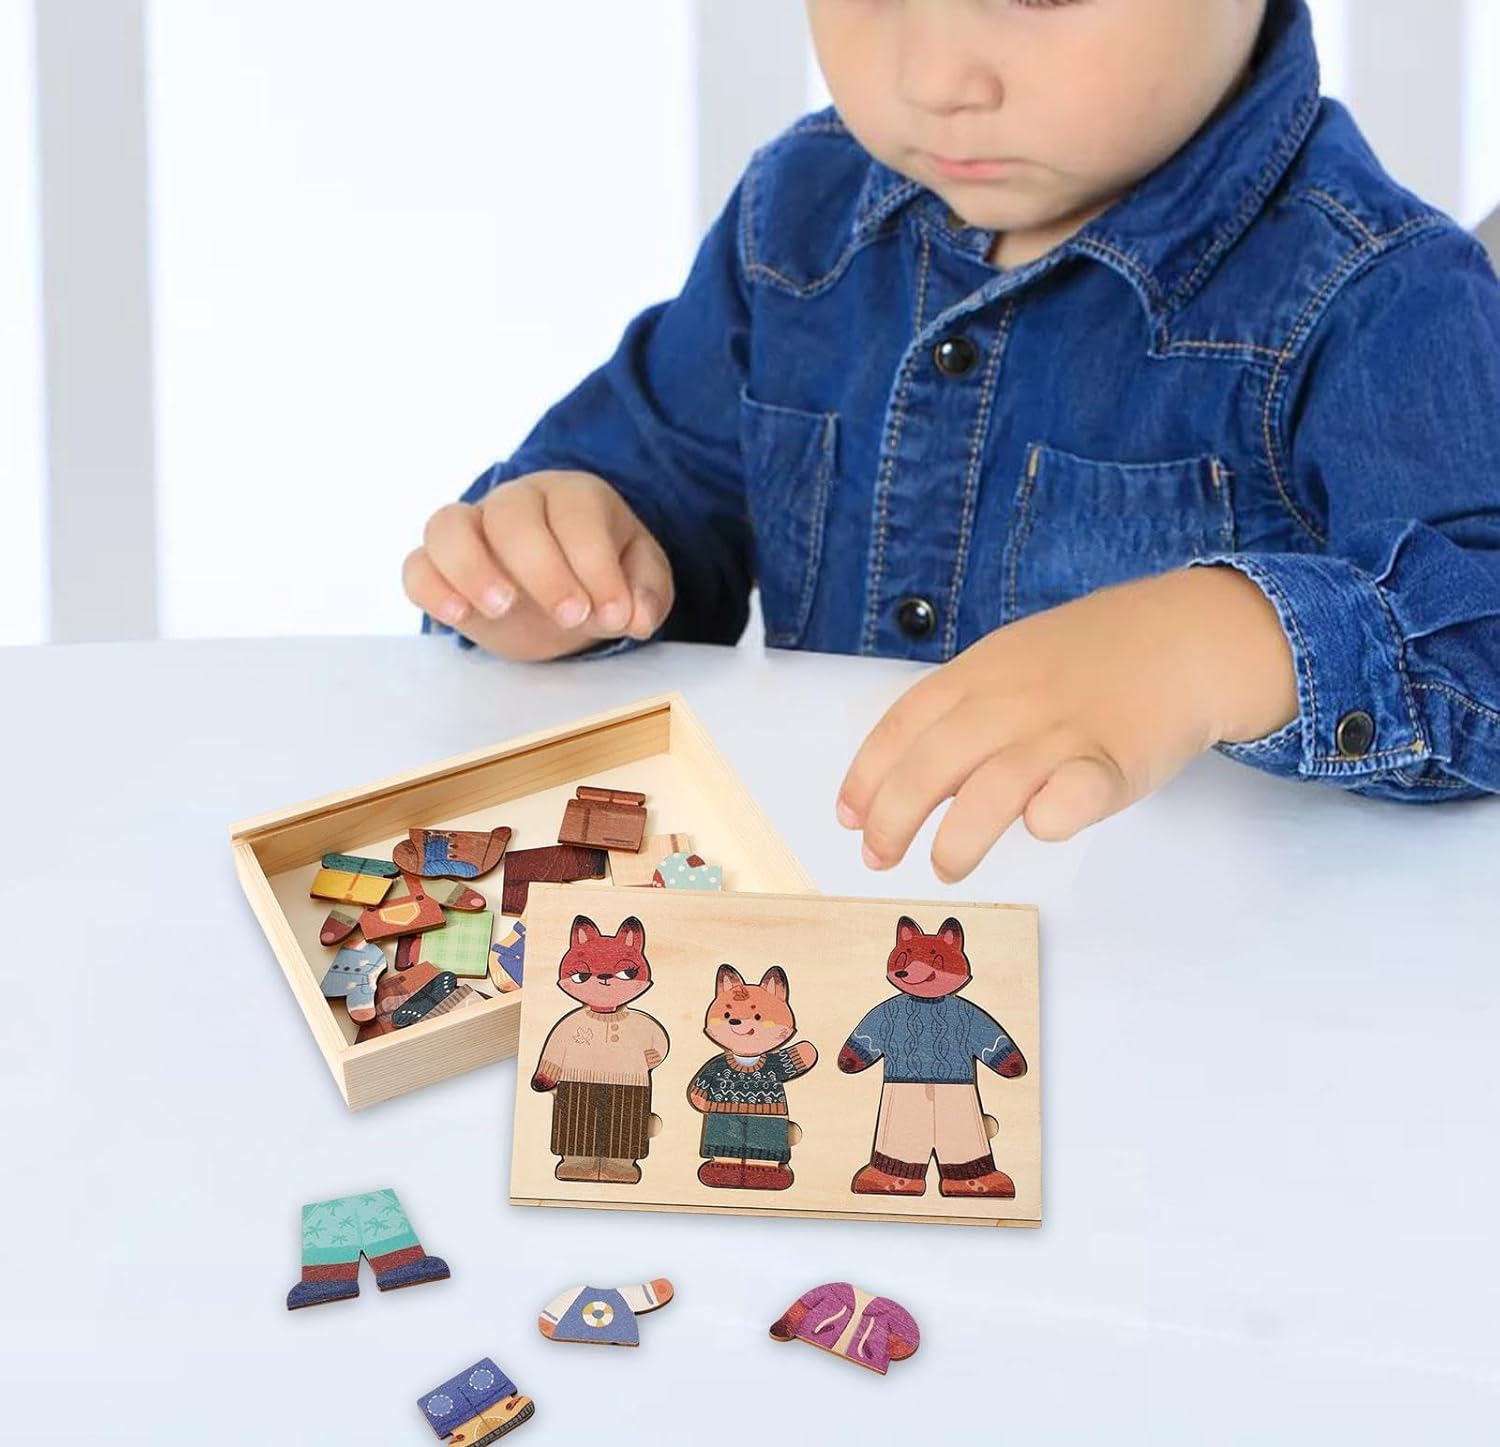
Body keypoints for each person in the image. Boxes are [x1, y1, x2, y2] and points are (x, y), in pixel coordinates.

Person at [405, 0, 1500, 881]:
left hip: (1207, 984)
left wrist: (1216, 645)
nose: (934, 78)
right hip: (844, 921)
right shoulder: (798, 215)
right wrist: (562, 563)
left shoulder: (1387, 291)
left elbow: (1481, 641)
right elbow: (656, 484)